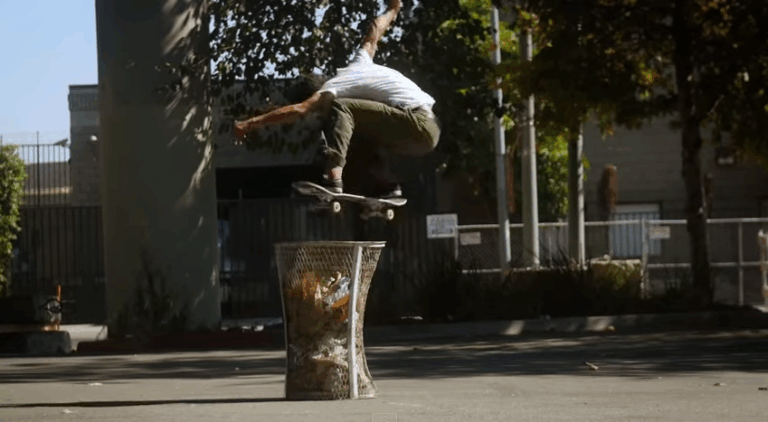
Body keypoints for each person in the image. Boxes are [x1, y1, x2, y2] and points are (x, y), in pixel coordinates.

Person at [233, 0, 440, 198]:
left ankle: (333, 179)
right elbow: (374, 32)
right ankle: (386, 187)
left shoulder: (332, 88)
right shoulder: (360, 61)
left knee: (342, 109)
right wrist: (393, 10)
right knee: (353, 135)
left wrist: (249, 124)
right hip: (425, 135)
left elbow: (299, 109)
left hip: (416, 123)